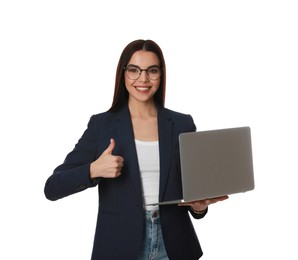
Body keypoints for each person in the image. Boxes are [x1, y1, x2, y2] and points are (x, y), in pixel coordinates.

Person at [44, 39, 228, 260]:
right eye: (134, 70)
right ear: (123, 74)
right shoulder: (102, 125)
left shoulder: (182, 124)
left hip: (174, 246)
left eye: (152, 70)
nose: (143, 79)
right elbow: (52, 188)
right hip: (120, 246)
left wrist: (199, 207)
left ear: (161, 74)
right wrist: (93, 169)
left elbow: (193, 191)